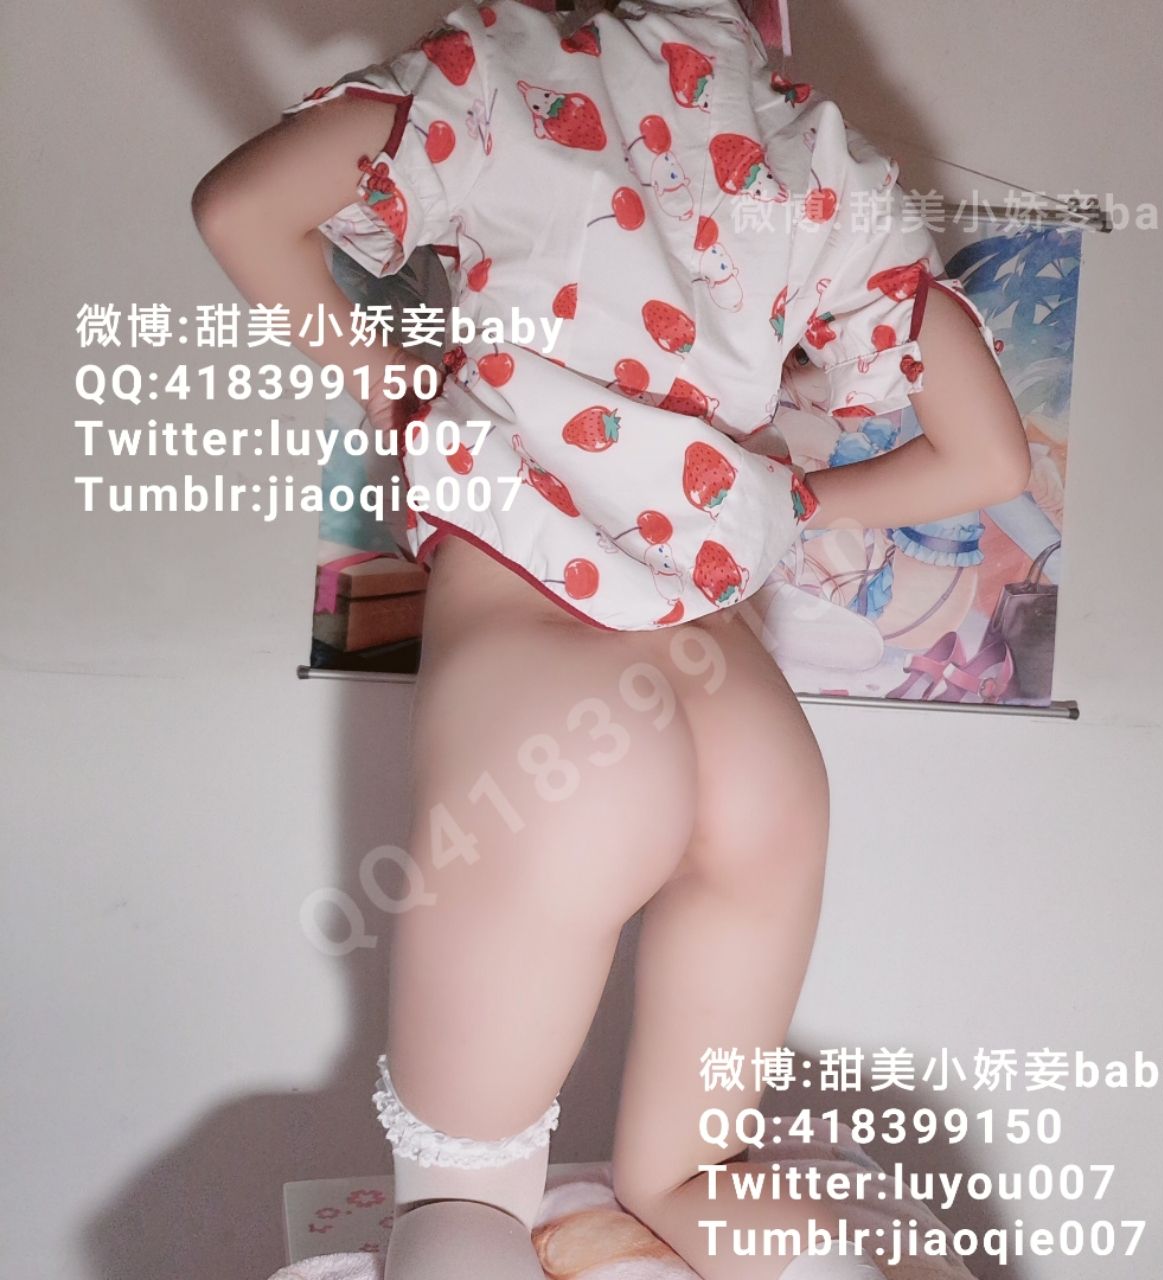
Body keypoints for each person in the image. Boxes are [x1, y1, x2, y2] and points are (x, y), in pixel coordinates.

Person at [192, 2, 1028, 1276]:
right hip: (741, 718)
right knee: (691, 1179)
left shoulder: (503, 72)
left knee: (464, 1206)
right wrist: (795, 503)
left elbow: (241, 209)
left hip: (551, 684)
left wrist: (391, 384)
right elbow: (989, 461)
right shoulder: (819, 157)